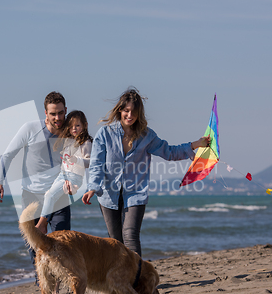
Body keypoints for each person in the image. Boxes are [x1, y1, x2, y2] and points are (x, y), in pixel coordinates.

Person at [82, 87, 210, 257]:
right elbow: (97, 163)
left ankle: (138, 279)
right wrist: (92, 187)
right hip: (107, 193)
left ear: (139, 113)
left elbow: (169, 152)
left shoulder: (147, 136)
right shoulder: (105, 134)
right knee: (115, 242)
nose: (129, 115)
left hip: (135, 193)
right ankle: (121, 281)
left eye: (133, 112)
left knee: (130, 235)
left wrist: (194, 144)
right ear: (120, 110)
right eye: (126, 111)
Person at [0, 91, 71, 294]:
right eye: (53, 114)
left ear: (66, 111)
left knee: (62, 240)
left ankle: (56, 289)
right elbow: (8, 155)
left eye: (61, 113)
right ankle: (43, 283)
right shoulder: (30, 128)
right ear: (45, 113)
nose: (57, 118)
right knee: (35, 243)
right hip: (31, 196)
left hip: (59, 195)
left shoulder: (71, 131)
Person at [36, 110, 92, 234]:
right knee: (49, 196)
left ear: (85, 125)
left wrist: (76, 160)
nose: (74, 129)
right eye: (71, 127)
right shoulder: (68, 140)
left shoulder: (86, 142)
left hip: (73, 176)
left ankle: (41, 224)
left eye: (77, 125)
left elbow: (89, 162)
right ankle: (46, 222)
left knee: (50, 196)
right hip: (63, 174)